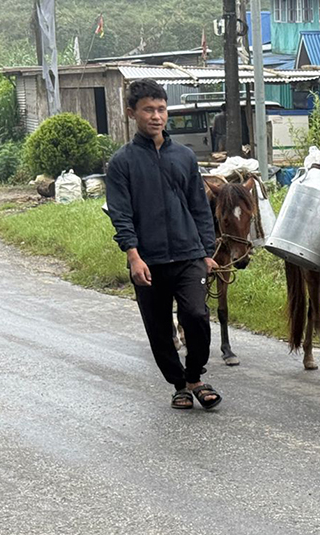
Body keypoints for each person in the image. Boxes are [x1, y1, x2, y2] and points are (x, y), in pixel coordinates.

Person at [105, 78, 222, 410]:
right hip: (149, 259)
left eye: (161, 109)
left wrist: (206, 252)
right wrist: (133, 255)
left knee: (196, 315)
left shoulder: (184, 157)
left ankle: (196, 376)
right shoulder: (122, 163)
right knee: (158, 328)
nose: (156, 116)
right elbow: (121, 213)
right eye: (148, 110)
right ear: (132, 113)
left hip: (188, 256)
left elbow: (200, 207)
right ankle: (179, 384)